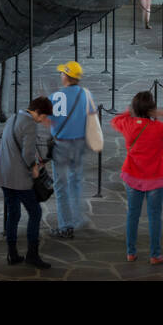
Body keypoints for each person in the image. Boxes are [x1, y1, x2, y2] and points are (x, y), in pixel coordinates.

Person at [112, 91, 163, 265]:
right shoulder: (158, 127)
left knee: (132, 215)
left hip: (132, 176)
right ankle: (155, 254)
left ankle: (131, 252)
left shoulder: (127, 123)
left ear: (135, 108)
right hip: (155, 178)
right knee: (154, 217)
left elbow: (114, 121)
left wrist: (128, 112)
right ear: (151, 109)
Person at [0, 96, 54, 268]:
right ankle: (32, 255)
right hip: (19, 179)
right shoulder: (30, 124)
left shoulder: (13, 118)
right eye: (43, 117)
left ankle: (12, 254)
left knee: (14, 214)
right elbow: (27, 154)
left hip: (4, 176)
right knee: (35, 213)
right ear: (38, 113)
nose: (42, 122)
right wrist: (34, 167)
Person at [48, 61, 96, 239]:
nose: (61, 75)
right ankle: (78, 218)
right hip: (79, 144)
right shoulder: (86, 95)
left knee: (61, 186)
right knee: (76, 181)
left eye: (62, 73)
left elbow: (49, 120)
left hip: (61, 145)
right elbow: (91, 117)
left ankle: (65, 225)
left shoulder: (55, 97)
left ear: (67, 77)